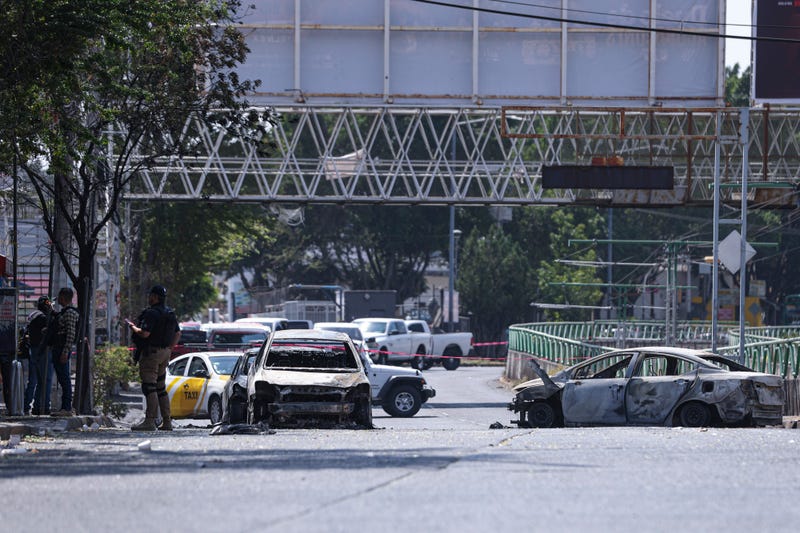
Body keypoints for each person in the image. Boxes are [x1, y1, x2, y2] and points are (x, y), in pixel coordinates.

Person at [126, 285, 180, 431]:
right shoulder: (170, 313)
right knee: (161, 388)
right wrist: (169, 348)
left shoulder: (152, 313)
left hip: (151, 354)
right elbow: (177, 334)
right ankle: (167, 421)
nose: (149, 297)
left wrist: (132, 327)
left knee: (149, 387)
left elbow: (145, 334)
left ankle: (150, 421)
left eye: (151, 295)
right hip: (164, 353)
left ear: (155, 297)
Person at [50, 287, 80, 417]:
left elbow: (70, 334)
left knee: (64, 379)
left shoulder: (70, 313)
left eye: (60, 297)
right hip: (58, 348)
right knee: (62, 378)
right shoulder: (63, 312)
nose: (59, 300)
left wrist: (65, 351)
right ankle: (65, 407)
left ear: (64, 297)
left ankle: (66, 407)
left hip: (62, 349)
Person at [23, 296, 54, 415]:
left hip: (33, 350)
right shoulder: (42, 317)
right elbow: (50, 328)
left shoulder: (33, 315)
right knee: (45, 379)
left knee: (34, 380)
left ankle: (28, 405)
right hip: (41, 351)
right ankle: (43, 406)